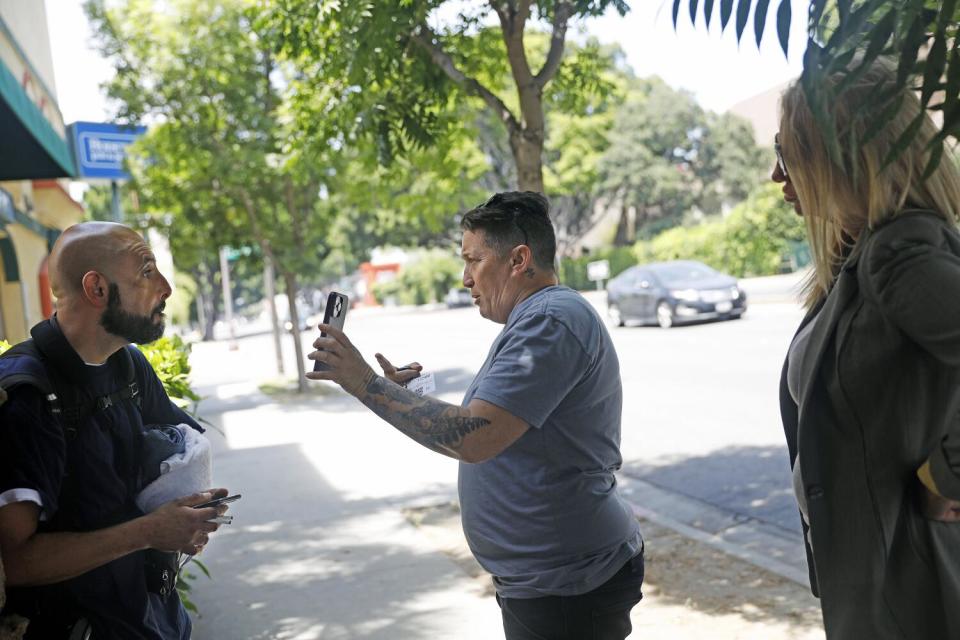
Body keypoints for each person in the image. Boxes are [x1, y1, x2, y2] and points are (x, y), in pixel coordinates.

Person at [308, 191, 644, 639]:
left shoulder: (549, 322)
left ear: (519, 259)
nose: (466, 278)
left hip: (567, 587)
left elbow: (473, 437)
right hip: (549, 582)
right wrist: (395, 391)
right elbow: (490, 420)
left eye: (473, 260)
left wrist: (365, 383)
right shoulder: (535, 319)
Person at [773, 58, 960, 638]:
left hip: (912, 585)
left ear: (840, 154)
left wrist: (947, 477)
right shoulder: (862, 253)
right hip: (882, 577)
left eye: (787, 153)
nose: (777, 177)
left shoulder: (898, 253)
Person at [0, 222, 230, 639]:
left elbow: (180, 458)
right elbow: (13, 563)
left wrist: (191, 519)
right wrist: (147, 532)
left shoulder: (128, 364)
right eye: (146, 271)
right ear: (97, 289)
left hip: (155, 620)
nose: (165, 287)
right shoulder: (28, 396)